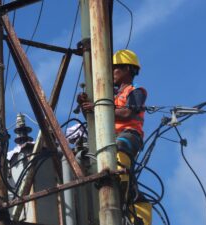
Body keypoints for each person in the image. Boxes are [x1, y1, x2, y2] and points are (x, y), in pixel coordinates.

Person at [77, 50, 152, 225]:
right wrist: (85, 106)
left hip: (129, 135)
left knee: (119, 149)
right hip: (111, 138)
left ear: (127, 69)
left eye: (115, 69)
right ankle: (128, 200)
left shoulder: (136, 91)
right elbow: (95, 116)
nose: (112, 73)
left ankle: (120, 185)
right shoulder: (111, 97)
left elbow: (126, 112)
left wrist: (98, 107)